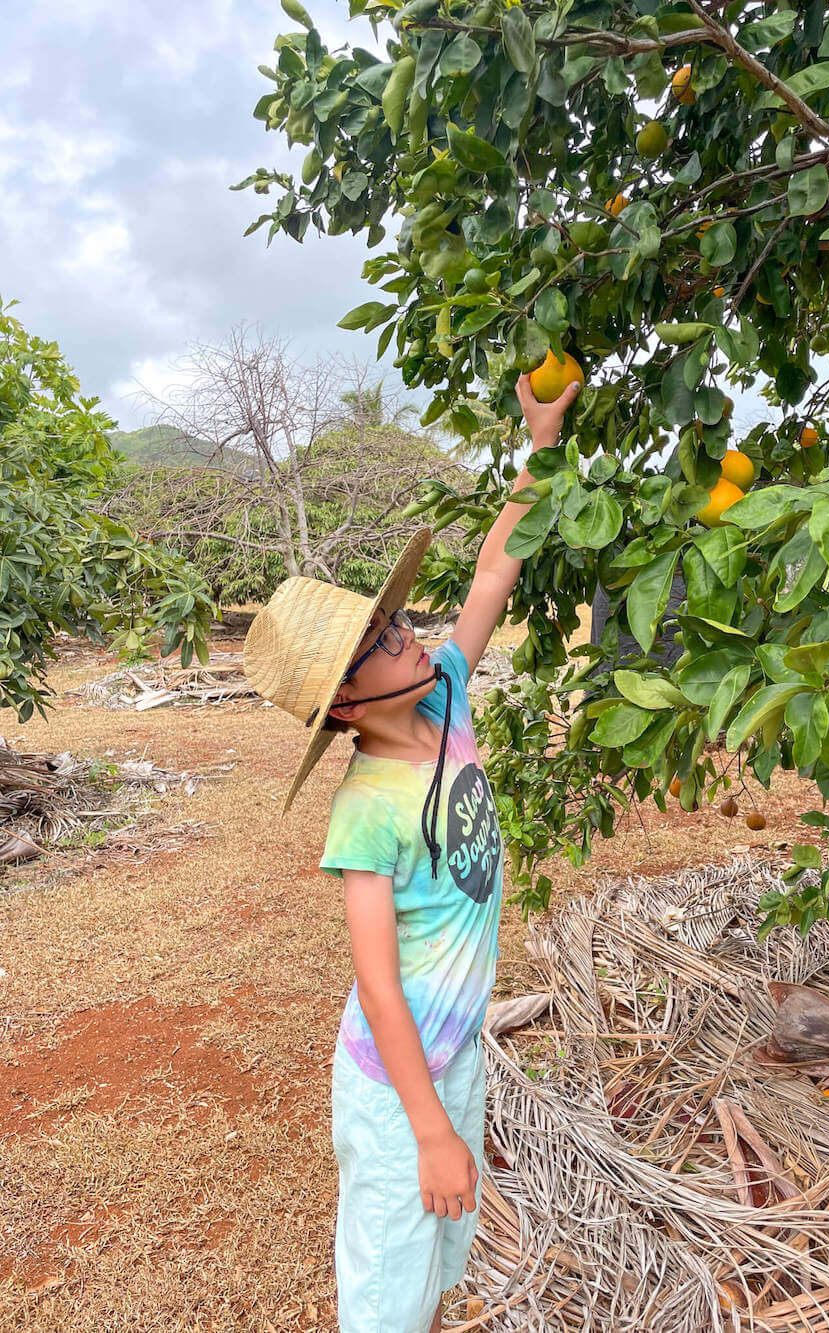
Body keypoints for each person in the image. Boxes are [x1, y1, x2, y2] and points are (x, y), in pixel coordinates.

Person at [241, 370, 581, 1333]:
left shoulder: (444, 696)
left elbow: (489, 576)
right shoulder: (363, 813)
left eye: (394, 619)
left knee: (434, 1265)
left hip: (455, 1057)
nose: (409, 634)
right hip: (399, 1088)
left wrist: (540, 447)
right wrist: (429, 1128)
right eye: (383, 639)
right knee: (387, 1288)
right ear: (346, 706)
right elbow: (379, 985)